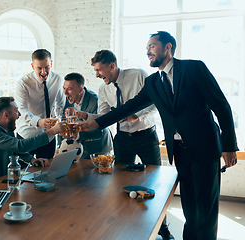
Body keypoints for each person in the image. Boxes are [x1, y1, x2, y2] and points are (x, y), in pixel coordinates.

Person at [80, 31, 238, 240]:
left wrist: (228, 146)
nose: (148, 51)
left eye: (152, 46)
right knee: (189, 208)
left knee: (206, 210)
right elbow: (128, 107)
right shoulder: (153, 82)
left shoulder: (194, 68)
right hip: (180, 152)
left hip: (205, 148)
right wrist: (95, 124)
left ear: (168, 47)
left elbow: (221, 105)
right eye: (147, 48)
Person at [78, 50, 161, 166]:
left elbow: (156, 103)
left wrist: (137, 116)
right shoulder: (103, 88)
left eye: (99, 70)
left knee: (155, 174)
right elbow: (104, 117)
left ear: (112, 66)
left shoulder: (139, 75)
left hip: (146, 137)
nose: (97, 75)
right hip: (122, 138)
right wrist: (86, 116)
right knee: (120, 178)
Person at [0, 97, 66, 183]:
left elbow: (15, 149)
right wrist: (51, 132)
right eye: (16, 111)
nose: (19, 115)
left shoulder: (6, 129)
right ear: (6, 115)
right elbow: (20, 145)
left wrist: (32, 159)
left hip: (1, 181)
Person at [16, 49, 66, 159]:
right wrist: (38, 122)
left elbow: (60, 105)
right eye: (39, 68)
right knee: (25, 172)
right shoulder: (23, 83)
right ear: (32, 66)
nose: (44, 72)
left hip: (49, 136)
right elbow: (21, 110)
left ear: (51, 63)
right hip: (27, 135)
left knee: (48, 171)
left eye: (47, 67)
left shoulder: (57, 79)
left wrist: (57, 120)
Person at [58, 72, 113, 159]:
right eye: (64, 88)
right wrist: (59, 146)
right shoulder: (66, 100)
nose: (65, 92)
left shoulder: (94, 100)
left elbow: (98, 131)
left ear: (80, 90)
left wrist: (77, 135)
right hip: (80, 151)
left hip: (99, 149)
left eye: (69, 89)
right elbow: (63, 124)